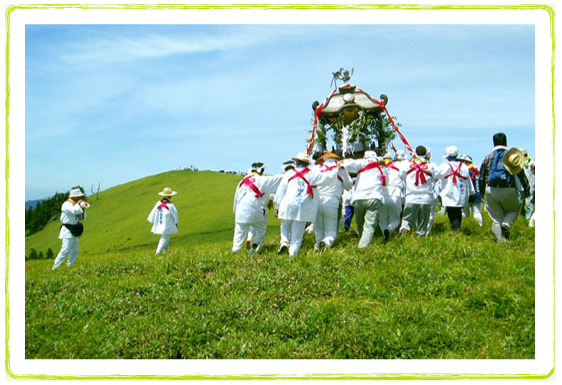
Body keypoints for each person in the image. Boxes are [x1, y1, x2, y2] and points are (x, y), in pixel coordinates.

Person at [479, 133, 530, 242]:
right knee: (513, 211)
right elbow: (521, 175)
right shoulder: (512, 157)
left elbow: (481, 176)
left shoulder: (487, 158)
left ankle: (500, 242)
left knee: (496, 218)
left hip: (490, 189)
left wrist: (482, 192)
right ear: (506, 142)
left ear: (494, 143)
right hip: (508, 188)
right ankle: (506, 225)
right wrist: (527, 190)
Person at [274, 152, 322, 257]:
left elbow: (280, 191)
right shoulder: (312, 174)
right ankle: (292, 255)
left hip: (287, 203)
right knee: (297, 236)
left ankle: (284, 243)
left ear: (297, 162)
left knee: (285, 225)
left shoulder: (289, 173)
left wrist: (277, 207)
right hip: (302, 207)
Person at [233, 162, 283, 254]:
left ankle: (235, 252)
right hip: (254, 211)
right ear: (260, 171)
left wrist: (235, 212)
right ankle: (253, 249)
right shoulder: (261, 180)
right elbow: (277, 179)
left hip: (240, 212)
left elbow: (236, 198)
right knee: (261, 230)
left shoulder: (241, 182)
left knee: (238, 235)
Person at [342, 150, 386, 247]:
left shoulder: (362, 162)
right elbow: (386, 180)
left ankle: (363, 240)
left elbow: (348, 163)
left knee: (360, 222)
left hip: (359, 197)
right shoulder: (382, 167)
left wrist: (342, 162)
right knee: (370, 224)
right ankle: (362, 247)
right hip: (374, 196)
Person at [399, 145, 443, 237]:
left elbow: (401, 175)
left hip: (411, 197)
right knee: (423, 221)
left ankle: (405, 229)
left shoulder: (407, 165)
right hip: (426, 197)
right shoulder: (431, 165)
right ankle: (420, 237)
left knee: (407, 219)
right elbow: (439, 175)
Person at [312, 151, 352, 250]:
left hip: (317, 201)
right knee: (332, 230)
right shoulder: (340, 170)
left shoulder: (316, 168)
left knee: (319, 229)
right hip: (332, 201)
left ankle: (318, 247)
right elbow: (349, 186)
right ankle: (326, 242)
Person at [438, 146, 474, 231]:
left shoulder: (445, 165)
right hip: (461, 192)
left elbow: (438, 175)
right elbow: (468, 179)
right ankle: (457, 227)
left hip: (449, 193)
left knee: (452, 212)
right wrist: (471, 191)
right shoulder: (464, 166)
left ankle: (456, 228)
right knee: (458, 212)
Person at [52, 188, 89, 270]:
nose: (80, 198)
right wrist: (79, 205)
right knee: (65, 250)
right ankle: (55, 267)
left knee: (75, 250)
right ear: (74, 197)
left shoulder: (75, 205)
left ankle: (70, 265)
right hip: (67, 231)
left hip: (74, 230)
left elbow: (82, 218)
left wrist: (83, 209)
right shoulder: (66, 205)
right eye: (79, 196)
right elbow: (74, 211)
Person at [379, 152, 406, 241]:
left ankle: (384, 236)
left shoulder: (379, 166)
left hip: (382, 192)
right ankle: (390, 229)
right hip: (395, 192)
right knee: (395, 219)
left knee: (382, 219)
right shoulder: (400, 164)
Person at [147, 187, 179, 255]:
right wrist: (176, 222)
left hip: (160, 223)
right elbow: (175, 214)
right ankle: (157, 253)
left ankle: (166, 252)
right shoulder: (170, 205)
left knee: (166, 237)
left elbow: (153, 212)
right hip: (167, 224)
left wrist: (153, 221)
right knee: (164, 239)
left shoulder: (158, 203)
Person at [459, 154, 483, 226]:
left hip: (468, 195)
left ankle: (467, 226)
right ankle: (480, 226)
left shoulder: (466, 171)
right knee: (477, 212)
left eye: (463, 161)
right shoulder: (475, 171)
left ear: (467, 162)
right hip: (477, 194)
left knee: (465, 213)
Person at [520, 148, 535, 220]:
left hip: (530, 186)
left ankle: (528, 219)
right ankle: (523, 218)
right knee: (520, 204)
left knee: (529, 204)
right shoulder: (519, 164)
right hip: (522, 187)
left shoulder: (530, 162)